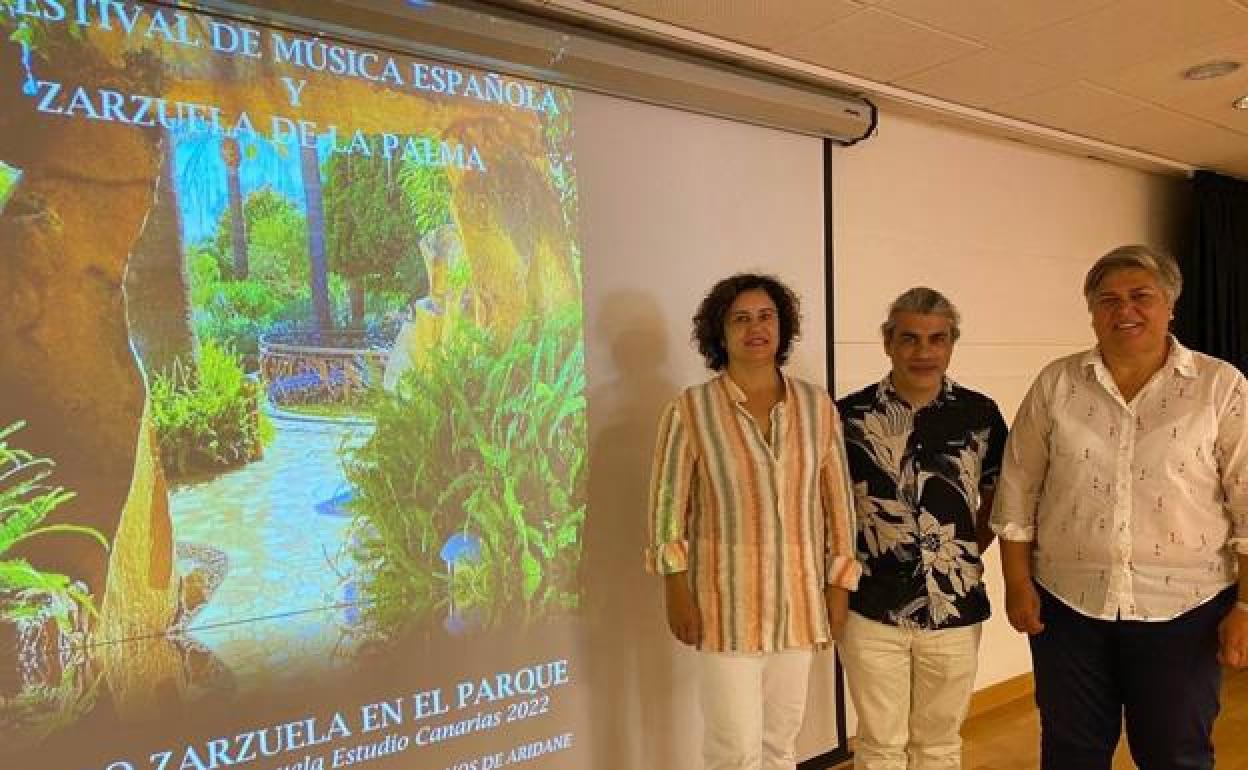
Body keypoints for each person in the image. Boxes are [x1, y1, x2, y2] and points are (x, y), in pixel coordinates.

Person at [991, 244, 1248, 770]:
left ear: (1170, 304)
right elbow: (1017, 488)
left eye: (1140, 296)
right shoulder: (1057, 383)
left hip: (1186, 609)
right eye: (1107, 299)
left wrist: (1246, 607)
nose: (1123, 310)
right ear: (1091, 312)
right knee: (1071, 753)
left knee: (1175, 755)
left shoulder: (1220, 386)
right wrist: (1017, 584)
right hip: (1068, 607)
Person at [647, 273, 860, 770]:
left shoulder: (817, 407)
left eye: (766, 316)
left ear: (782, 327)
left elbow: (838, 506)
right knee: (734, 749)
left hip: (800, 604)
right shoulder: (691, 410)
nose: (755, 328)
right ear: (720, 335)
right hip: (724, 606)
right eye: (740, 319)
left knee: (780, 745)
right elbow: (666, 510)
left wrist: (840, 586)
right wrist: (675, 588)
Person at [836, 287, 1007, 770]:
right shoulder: (847, 417)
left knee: (939, 745)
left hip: (955, 607)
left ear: (951, 344)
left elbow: (1000, 495)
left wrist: (965, 547)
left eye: (937, 339)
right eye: (909, 339)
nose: (923, 352)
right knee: (879, 745)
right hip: (870, 607)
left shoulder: (980, 415)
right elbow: (827, 506)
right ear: (888, 343)